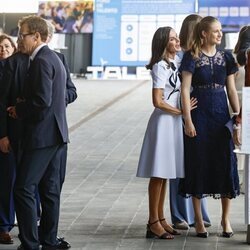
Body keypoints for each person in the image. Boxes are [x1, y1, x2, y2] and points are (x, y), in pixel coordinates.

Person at [7, 15, 68, 250]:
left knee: (23, 188)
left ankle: (31, 243)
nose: (19, 38)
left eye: (23, 34)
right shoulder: (50, 58)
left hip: (42, 136)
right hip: (55, 135)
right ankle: (47, 241)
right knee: (48, 189)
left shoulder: (42, 60)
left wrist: (18, 109)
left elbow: (42, 101)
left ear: (37, 36)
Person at [179, 16, 240, 238]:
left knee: (225, 163)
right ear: (204, 33)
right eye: (215, 31)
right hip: (199, 116)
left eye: (220, 30)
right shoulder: (191, 57)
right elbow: (185, 90)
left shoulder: (226, 57)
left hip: (221, 117)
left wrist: (239, 119)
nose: (220, 34)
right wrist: (188, 120)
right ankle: (198, 220)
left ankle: (225, 219)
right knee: (198, 163)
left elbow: (232, 90)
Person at [136, 26, 197, 239]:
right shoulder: (160, 66)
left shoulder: (176, 62)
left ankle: (160, 219)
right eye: (172, 39)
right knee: (158, 173)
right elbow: (157, 101)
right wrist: (181, 110)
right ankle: (153, 221)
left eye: (176, 37)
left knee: (166, 175)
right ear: (163, 43)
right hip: (163, 122)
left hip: (173, 122)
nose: (177, 41)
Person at [169, 14, 211, 230]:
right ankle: (179, 214)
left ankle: (199, 214)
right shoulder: (179, 55)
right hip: (181, 115)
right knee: (179, 165)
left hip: (199, 114)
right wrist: (183, 111)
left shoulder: (199, 54)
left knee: (197, 163)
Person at [0, 34, 17, 245]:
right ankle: (4, 226)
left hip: (17, 134)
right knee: (6, 181)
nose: (3, 49)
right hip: (4, 133)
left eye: (6, 46)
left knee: (12, 181)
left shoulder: (19, 67)